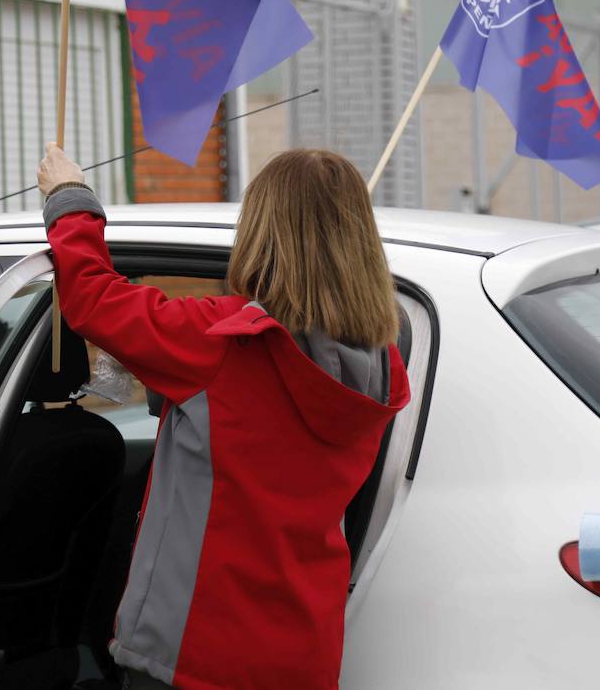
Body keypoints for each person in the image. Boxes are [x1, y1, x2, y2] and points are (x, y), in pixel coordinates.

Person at [36, 145, 410, 690]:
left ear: (261, 233)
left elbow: (92, 297)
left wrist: (69, 197)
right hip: (304, 657)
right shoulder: (383, 362)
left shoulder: (224, 344)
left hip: (195, 660)